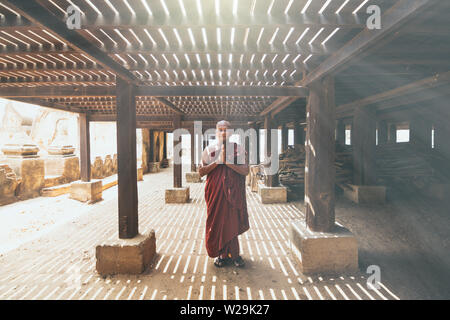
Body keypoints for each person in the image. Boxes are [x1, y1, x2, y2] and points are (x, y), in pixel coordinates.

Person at [199, 120, 250, 268]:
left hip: (233, 194)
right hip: (216, 193)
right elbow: (201, 172)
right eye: (220, 130)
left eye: (226, 129)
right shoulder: (209, 150)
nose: (223, 132)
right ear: (216, 132)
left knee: (232, 222)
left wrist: (228, 163)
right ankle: (221, 254)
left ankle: (234, 254)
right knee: (218, 222)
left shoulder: (238, 150)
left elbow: (245, 171)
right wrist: (218, 162)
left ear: (231, 132)